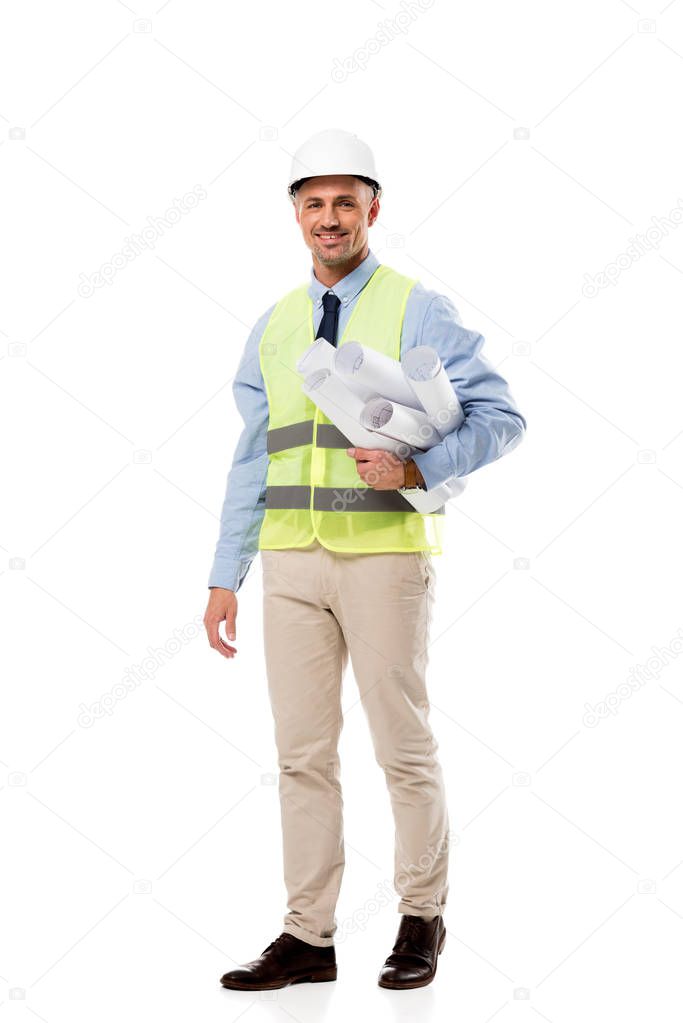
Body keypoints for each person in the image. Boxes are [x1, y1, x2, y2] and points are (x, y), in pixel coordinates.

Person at [204, 128, 527, 991]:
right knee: (300, 754)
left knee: (401, 747)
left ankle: (421, 915)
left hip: (385, 556)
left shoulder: (419, 308)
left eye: (346, 201)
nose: (329, 217)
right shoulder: (273, 326)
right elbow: (254, 454)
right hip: (289, 565)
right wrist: (223, 572)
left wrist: (420, 465)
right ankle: (307, 934)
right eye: (313, 203)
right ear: (294, 215)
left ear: (372, 209)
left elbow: (501, 415)